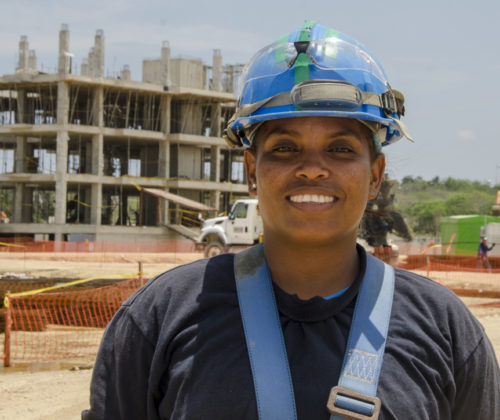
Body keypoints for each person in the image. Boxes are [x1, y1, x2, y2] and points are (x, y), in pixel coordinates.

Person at [83, 21, 500, 419]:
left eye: (340, 149)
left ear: (375, 176)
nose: (312, 169)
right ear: (250, 171)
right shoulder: (160, 318)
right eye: (285, 148)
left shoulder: (443, 328)